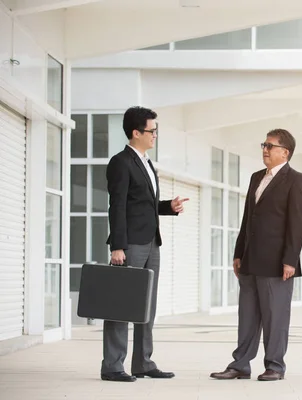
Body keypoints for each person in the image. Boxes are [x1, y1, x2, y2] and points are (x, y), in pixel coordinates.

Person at [210, 129, 302, 382]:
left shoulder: (296, 180)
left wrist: (290, 259)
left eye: (270, 145)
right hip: (251, 260)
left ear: (284, 152)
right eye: (263, 144)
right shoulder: (256, 178)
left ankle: (275, 366)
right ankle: (240, 365)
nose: (264, 149)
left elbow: (297, 224)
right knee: (247, 316)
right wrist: (238, 252)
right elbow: (247, 219)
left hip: (277, 263)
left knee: (275, 317)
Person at [102, 106, 189, 382]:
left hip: (151, 243)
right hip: (130, 245)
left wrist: (168, 207)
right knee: (120, 303)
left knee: (146, 305)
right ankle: (113, 366)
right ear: (136, 132)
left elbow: (142, 204)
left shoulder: (147, 163)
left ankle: (143, 362)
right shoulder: (121, 162)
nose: (155, 135)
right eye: (152, 131)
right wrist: (118, 246)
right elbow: (117, 206)